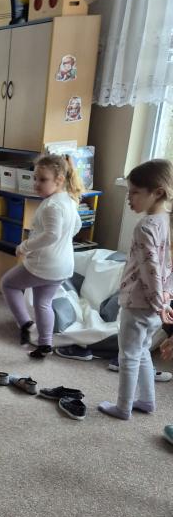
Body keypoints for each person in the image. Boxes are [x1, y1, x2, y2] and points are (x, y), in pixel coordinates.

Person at [98, 159, 172, 420]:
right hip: (158, 303)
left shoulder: (145, 226)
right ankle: (147, 400)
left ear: (157, 192)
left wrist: (159, 303)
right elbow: (167, 267)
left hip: (140, 302)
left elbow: (150, 270)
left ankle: (123, 407)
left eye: (135, 192)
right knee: (142, 351)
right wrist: (165, 299)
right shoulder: (166, 221)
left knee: (128, 355)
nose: (129, 198)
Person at [0, 153, 83, 359]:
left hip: (44, 264)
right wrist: (64, 239)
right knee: (43, 303)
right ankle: (45, 344)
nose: (36, 184)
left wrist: (25, 246)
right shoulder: (69, 200)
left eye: (43, 180)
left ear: (59, 180)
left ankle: (25, 323)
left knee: (8, 284)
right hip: (63, 265)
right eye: (35, 178)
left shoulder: (51, 205)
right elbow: (77, 225)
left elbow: (51, 235)